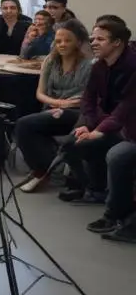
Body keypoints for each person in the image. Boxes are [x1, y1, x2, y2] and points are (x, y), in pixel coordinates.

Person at [53, 18, 135, 214]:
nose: (94, 43)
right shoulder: (99, 66)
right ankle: (93, 189)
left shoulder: (133, 66)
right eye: (92, 39)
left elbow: (126, 108)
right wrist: (88, 124)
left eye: (100, 39)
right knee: (72, 142)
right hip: (109, 122)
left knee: (115, 155)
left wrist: (98, 130)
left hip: (129, 128)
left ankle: (116, 214)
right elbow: (88, 100)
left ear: (117, 42)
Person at [14, 20, 93, 192]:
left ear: (78, 42)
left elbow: (86, 98)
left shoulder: (90, 65)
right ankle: (44, 167)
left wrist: (62, 106)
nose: (62, 44)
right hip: (54, 107)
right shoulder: (50, 60)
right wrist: (59, 103)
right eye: (58, 41)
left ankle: (43, 170)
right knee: (23, 125)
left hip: (78, 113)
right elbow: (40, 93)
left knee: (26, 124)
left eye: (67, 40)